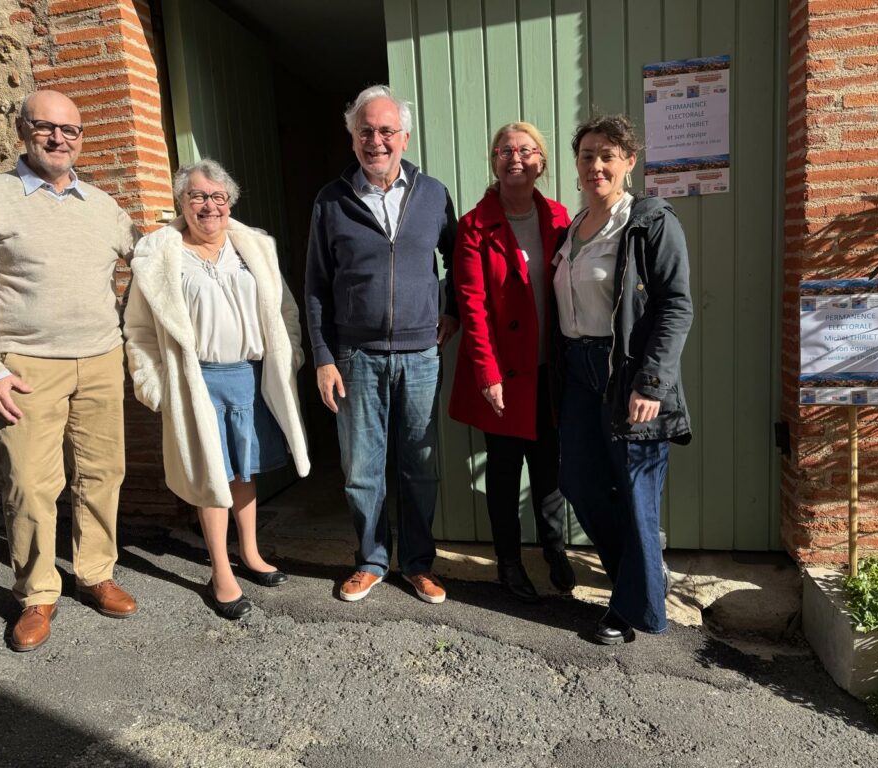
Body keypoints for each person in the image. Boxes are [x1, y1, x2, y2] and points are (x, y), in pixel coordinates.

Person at [0, 89, 140, 651]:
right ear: (23, 130)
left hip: (102, 358)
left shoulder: (104, 206)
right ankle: (37, 595)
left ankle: (95, 572)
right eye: (46, 127)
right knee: (31, 484)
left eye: (71, 130)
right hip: (27, 365)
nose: (59, 138)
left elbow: (152, 265)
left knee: (102, 473)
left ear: (82, 138)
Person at [124, 159, 310, 620]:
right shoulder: (159, 255)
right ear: (181, 203)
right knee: (212, 477)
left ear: (230, 202)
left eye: (217, 197)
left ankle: (250, 552)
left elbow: (284, 310)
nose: (209, 206)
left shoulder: (254, 248)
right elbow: (140, 332)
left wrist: (292, 356)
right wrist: (157, 386)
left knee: (244, 471)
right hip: (196, 381)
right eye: (197, 197)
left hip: (248, 376)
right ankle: (221, 571)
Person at [305, 85, 458, 604]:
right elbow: (316, 287)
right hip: (356, 356)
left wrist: (452, 310)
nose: (377, 140)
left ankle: (417, 564)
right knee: (362, 468)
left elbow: (458, 258)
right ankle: (371, 559)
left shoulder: (433, 193)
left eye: (386, 131)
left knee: (418, 465)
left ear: (404, 137)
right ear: (352, 139)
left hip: (420, 354)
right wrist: (324, 358)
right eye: (365, 131)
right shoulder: (331, 200)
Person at [554, 114, 692, 644]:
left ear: (629, 162)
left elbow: (675, 306)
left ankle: (632, 608)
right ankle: (642, 578)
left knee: (636, 492)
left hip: (628, 373)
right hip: (578, 371)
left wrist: (651, 382)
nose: (596, 165)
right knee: (580, 483)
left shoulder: (649, 221)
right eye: (588, 155)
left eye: (608, 155)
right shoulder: (574, 226)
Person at [449, 122, 575, 602]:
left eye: (525, 150)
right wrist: (487, 374)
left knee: (549, 469)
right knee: (504, 475)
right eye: (504, 149)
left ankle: (554, 548)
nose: (515, 157)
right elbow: (472, 305)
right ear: (494, 161)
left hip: (550, 371)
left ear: (541, 161)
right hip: (502, 374)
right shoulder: (474, 225)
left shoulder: (561, 218)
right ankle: (508, 562)